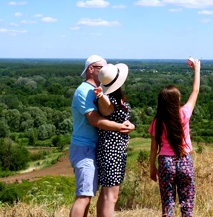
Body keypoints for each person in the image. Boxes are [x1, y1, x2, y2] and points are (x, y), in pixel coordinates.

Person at [69, 55, 135, 217]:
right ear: (91, 69)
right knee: (84, 196)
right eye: (101, 68)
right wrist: (122, 127)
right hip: (85, 147)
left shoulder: (99, 91)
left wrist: (129, 124)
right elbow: (94, 120)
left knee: (95, 194)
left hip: (95, 146)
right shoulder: (83, 91)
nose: (104, 71)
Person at [149, 58, 201, 217]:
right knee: (187, 202)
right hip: (184, 160)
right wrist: (197, 69)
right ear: (177, 101)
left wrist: (152, 166)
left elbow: (153, 148)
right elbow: (195, 91)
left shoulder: (157, 121)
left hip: (165, 162)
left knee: (168, 203)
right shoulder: (184, 114)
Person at [93, 63, 131, 217]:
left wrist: (130, 126)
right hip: (112, 151)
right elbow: (106, 107)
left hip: (111, 150)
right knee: (111, 196)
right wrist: (102, 96)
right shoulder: (108, 101)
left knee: (105, 194)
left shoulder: (115, 99)